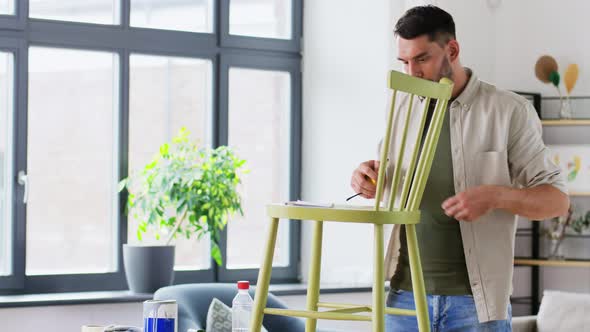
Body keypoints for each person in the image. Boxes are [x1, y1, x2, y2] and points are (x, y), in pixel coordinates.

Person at [350, 5, 569, 331]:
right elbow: (391, 180)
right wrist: (368, 179)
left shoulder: (509, 111)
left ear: (452, 50)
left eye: (421, 59)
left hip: (475, 306)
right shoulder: (402, 106)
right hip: (404, 301)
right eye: (404, 62)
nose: (412, 73)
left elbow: (557, 201)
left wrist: (495, 196)